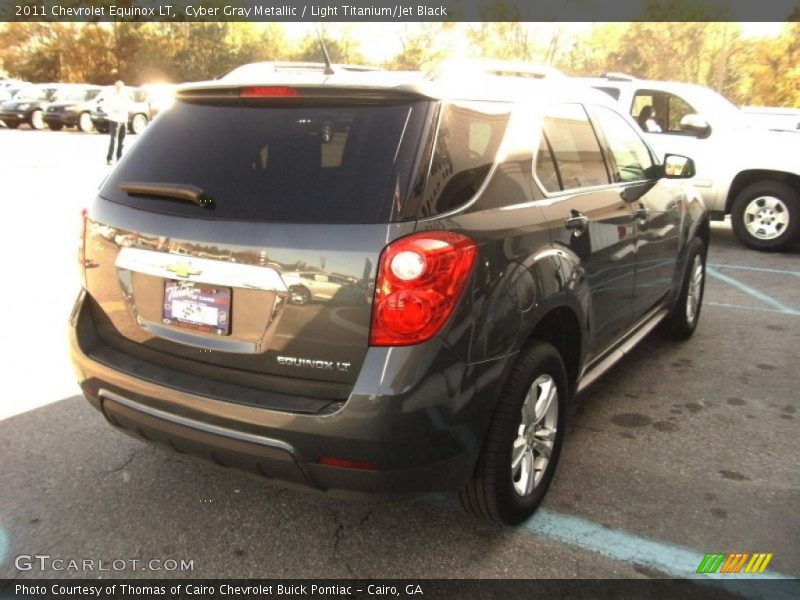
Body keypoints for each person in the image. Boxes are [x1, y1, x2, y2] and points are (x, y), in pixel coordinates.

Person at [105, 80, 130, 165]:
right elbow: (109, 106)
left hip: (123, 120)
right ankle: (109, 158)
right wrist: (115, 109)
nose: (119, 88)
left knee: (122, 141)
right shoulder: (112, 96)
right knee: (113, 140)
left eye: (121, 86)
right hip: (114, 120)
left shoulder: (125, 95)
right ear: (115, 86)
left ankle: (119, 158)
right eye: (118, 86)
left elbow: (127, 106)